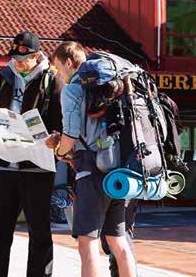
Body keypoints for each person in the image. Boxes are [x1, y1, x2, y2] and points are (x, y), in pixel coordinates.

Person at [0, 31, 61, 277]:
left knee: (39, 233)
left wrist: (55, 137)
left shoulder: (52, 80)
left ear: (37, 55)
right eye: (16, 57)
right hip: (2, 166)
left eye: (25, 58)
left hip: (37, 167)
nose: (19, 63)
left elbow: (60, 123)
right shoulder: (2, 78)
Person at [48, 41, 136, 277]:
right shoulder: (111, 85)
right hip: (119, 172)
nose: (58, 74)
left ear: (68, 62)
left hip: (92, 173)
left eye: (58, 68)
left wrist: (60, 151)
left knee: (87, 243)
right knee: (118, 242)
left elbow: (71, 133)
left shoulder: (74, 89)